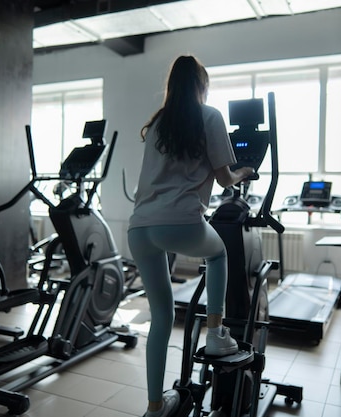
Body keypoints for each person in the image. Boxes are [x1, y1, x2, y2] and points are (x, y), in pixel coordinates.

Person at [127, 55, 255, 417]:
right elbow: (224, 176)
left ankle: (154, 407)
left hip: (140, 229)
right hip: (181, 221)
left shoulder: (157, 123)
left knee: (161, 317)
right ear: (201, 85)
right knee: (217, 255)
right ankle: (215, 334)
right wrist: (244, 171)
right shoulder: (209, 115)